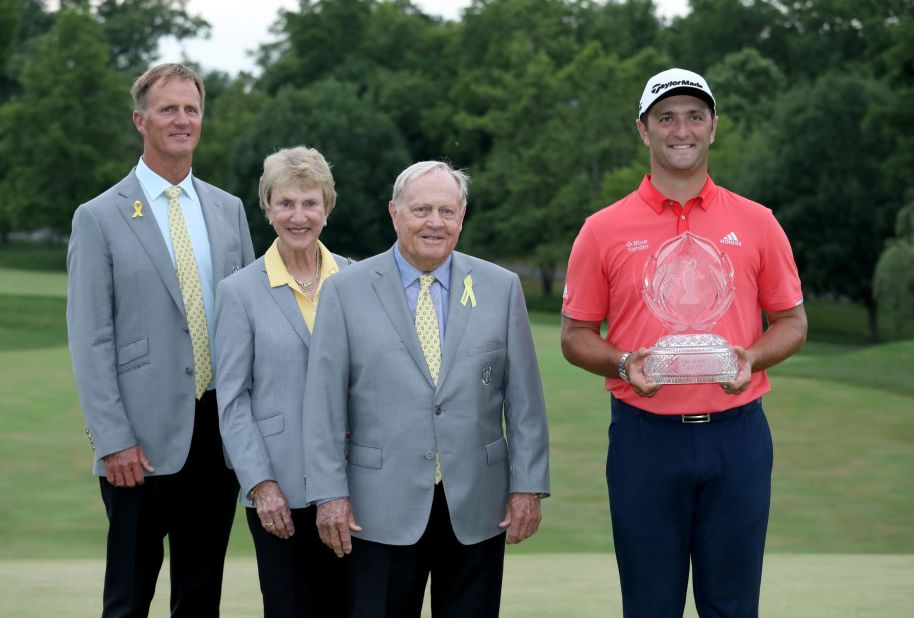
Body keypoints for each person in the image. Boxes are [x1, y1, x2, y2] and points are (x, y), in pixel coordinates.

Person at [561, 68, 808, 617]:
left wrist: (752, 356)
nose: (681, 130)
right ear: (643, 130)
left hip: (737, 436)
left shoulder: (758, 222)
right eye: (666, 118)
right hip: (644, 440)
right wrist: (624, 364)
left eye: (695, 116)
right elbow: (576, 336)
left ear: (713, 127)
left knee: (733, 605)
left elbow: (792, 322)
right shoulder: (601, 228)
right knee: (650, 605)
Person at [302, 161, 550, 617]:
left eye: (446, 211)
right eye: (421, 210)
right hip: (377, 508)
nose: (434, 222)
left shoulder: (501, 287)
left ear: (462, 216)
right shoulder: (344, 291)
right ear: (394, 213)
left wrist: (528, 486)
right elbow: (323, 406)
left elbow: (525, 403)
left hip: (478, 506)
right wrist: (329, 494)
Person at [66, 63, 255, 617]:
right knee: (128, 598)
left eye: (191, 109)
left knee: (200, 597)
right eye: (168, 109)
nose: (181, 119)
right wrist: (112, 438)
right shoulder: (98, 217)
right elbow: (90, 338)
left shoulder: (229, 210)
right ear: (140, 120)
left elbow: (249, 326)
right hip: (138, 446)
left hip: (217, 436)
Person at [214, 146, 349, 617]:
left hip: (356, 488)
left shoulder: (359, 281)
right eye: (286, 203)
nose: (298, 216)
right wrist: (260, 485)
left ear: (327, 209)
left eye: (310, 203)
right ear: (267, 207)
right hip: (280, 493)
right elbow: (232, 401)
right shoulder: (238, 293)